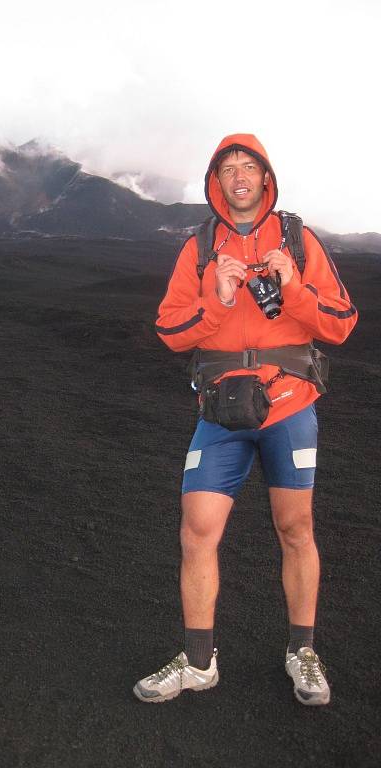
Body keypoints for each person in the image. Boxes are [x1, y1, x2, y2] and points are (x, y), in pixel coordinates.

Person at [133, 134, 357, 706]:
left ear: (265, 177)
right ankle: (199, 662)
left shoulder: (298, 241)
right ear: (217, 180)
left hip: (290, 410)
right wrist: (220, 301)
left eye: (248, 166)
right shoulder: (199, 249)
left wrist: (295, 286)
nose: (238, 175)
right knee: (197, 532)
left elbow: (341, 322)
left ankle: (302, 652)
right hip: (222, 413)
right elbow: (169, 330)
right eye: (228, 167)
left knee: (295, 530)